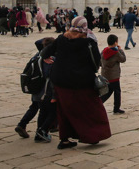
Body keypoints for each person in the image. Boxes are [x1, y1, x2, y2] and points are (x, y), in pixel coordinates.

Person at [40, 16, 111, 149]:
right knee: (92, 108)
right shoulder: (88, 42)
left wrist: (46, 58)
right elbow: (96, 62)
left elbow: (45, 51)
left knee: (64, 110)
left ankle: (65, 140)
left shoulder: (61, 39)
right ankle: (92, 136)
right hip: (82, 81)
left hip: (60, 81)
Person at [15, 37, 56, 142]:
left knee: (36, 107)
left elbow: (38, 42)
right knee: (49, 111)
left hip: (36, 87)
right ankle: (41, 131)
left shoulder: (39, 54)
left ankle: (25, 125)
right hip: (45, 90)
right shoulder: (49, 58)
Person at [100, 34, 126, 114]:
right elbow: (123, 59)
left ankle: (99, 103)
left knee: (108, 91)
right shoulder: (116, 53)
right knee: (117, 92)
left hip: (105, 75)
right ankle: (116, 108)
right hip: (114, 76)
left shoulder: (104, 51)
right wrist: (120, 50)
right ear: (115, 42)